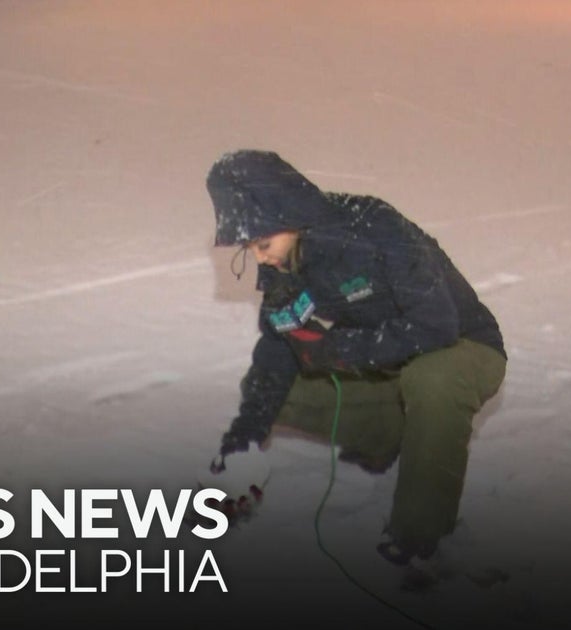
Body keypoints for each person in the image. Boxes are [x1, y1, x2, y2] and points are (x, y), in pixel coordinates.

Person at [205, 149, 507, 565]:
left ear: (291, 218)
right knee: (279, 390)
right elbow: (277, 348)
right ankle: (387, 435)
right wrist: (242, 442)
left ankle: (419, 538)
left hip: (463, 347)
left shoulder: (373, 229)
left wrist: (341, 351)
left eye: (263, 243)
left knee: (432, 378)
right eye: (249, 247)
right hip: (391, 366)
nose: (260, 257)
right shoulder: (283, 265)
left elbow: (438, 325)